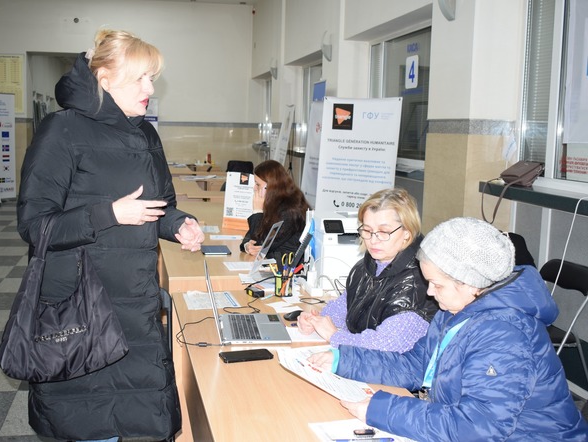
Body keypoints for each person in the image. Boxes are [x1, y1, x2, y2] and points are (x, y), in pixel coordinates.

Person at [16, 29, 204, 442]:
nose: (150, 89)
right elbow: (35, 224)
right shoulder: (61, 130)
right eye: (140, 78)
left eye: (152, 78)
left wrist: (179, 224)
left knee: (138, 416)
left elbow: (160, 206)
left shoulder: (145, 134)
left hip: (135, 302)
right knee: (90, 420)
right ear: (104, 79)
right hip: (81, 307)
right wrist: (110, 214)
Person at [309, 217, 588, 441]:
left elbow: (477, 427)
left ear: (471, 283)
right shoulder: (455, 310)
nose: (430, 292)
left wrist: (382, 410)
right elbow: (416, 365)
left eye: (437, 284)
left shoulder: (505, 335)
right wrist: (345, 359)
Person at [297, 188, 437, 351]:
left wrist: (334, 335)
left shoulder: (418, 281)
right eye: (367, 230)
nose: (373, 240)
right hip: (359, 360)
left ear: (407, 232)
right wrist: (317, 321)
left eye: (383, 232)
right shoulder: (365, 266)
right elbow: (345, 306)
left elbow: (386, 345)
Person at [240, 160, 310, 261]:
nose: (254, 188)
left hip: (285, 267)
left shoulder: (290, 211)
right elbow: (252, 235)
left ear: (270, 186)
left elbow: (263, 244)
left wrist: (257, 212)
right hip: (271, 261)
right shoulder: (273, 202)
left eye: (258, 184)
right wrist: (247, 245)